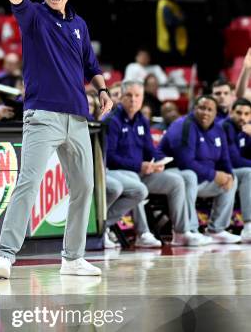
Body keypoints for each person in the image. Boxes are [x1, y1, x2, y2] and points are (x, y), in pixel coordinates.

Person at [0, 0, 113, 279]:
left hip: (78, 118)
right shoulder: (33, 17)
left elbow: (92, 66)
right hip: (42, 115)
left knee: (85, 185)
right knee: (28, 182)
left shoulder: (80, 26)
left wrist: (103, 91)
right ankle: (5, 255)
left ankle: (72, 258)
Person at [105, 81, 206, 247]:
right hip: (121, 173)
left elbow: (150, 149)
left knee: (176, 181)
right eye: (129, 95)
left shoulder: (142, 120)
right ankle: (142, 233)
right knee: (135, 182)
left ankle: (181, 232)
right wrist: (139, 166)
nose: (133, 100)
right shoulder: (113, 121)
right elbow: (110, 157)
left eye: (137, 96)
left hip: (142, 172)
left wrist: (158, 162)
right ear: (121, 97)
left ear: (143, 98)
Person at [159, 95, 240, 243]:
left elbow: (224, 158)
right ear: (194, 108)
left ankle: (217, 230)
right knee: (190, 176)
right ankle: (190, 229)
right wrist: (214, 175)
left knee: (232, 179)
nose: (205, 113)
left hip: (201, 179)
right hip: (172, 173)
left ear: (216, 113)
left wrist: (228, 174)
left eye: (210, 110)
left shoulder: (218, 129)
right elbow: (185, 162)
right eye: (202, 108)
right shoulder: (184, 125)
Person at [220, 97, 251, 242]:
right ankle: (249, 226)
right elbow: (235, 161)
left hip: (233, 170)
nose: (242, 117)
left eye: (246, 114)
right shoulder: (226, 127)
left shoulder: (246, 129)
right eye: (239, 113)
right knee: (248, 174)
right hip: (221, 171)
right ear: (231, 112)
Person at [156, 0, 188, 65]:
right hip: (169, 42)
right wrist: (181, 19)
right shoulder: (164, 4)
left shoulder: (171, 3)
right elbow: (170, 22)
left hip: (176, 41)